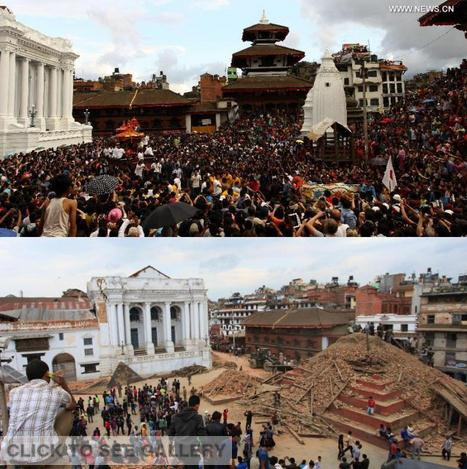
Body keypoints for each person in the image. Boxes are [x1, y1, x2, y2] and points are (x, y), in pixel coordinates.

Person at [0, 359, 76, 467]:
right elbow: (73, 404)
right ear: (47, 374)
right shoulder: (57, 392)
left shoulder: (14, 392)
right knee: (68, 411)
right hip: (42, 453)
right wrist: (63, 384)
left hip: (14, 453)